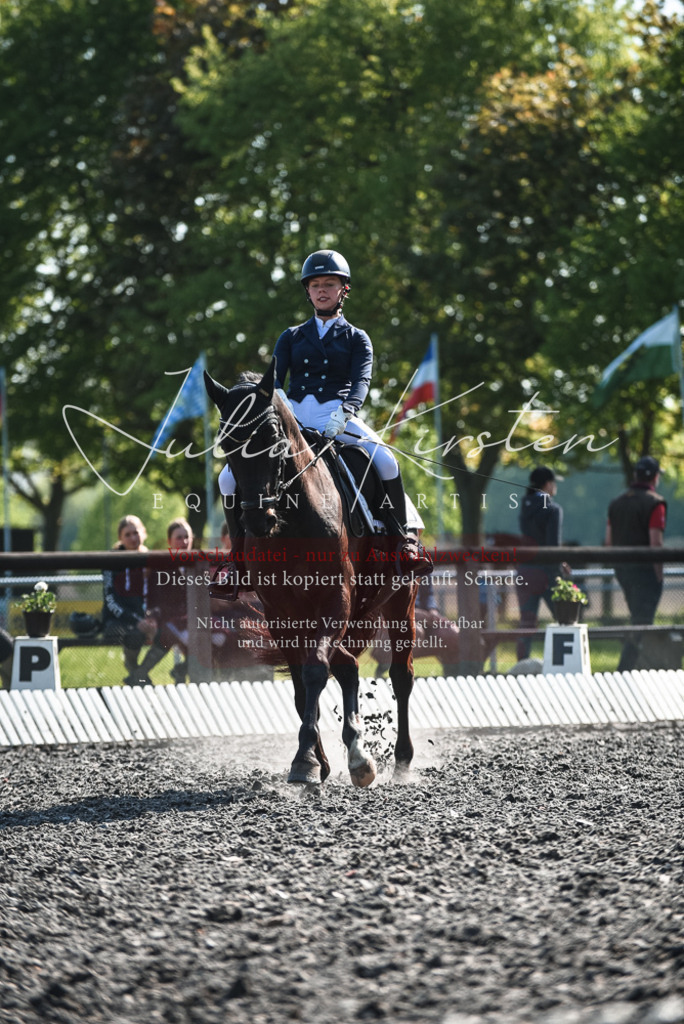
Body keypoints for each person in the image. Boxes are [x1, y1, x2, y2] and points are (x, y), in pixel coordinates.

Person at [217, 249, 432, 577]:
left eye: (329, 284)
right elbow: (274, 381)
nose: (321, 290)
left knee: (388, 461)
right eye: (315, 285)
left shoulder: (357, 338)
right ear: (308, 290)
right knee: (226, 478)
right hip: (293, 416)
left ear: (343, 289)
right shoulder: (291, 336)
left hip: (337, 414)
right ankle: (237, 558)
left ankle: (403, 541)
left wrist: (345, 412)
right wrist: (283, 408)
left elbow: (361, 382)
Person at [605, 455, 666, 671]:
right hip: (645, 572)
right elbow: (655, 543)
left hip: (623, 571)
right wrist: (659, 574)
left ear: (635, 475)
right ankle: (625, 670)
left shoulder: (616, 503)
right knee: (642, 623)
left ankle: (634, 667)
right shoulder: (655, 503)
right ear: (655, 477)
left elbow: (608, 541)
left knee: (637, 620)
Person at [515, 466, 568, 659]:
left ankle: (522, 665)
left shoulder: (525, 506)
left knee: (527, 622)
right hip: (546, 571)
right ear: (547, 484)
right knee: (565, 617)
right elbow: (553, 544)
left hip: (525, 570)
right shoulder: (553, 509)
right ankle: (563, 660)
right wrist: (559, 569)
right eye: (553, 483)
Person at [101, 515, 157, 686]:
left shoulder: (152, 561)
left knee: (167, 633)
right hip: (117, 621)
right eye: (127, 534)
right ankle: (136, 673)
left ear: (144, 533)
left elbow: (158, 596)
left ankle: (139, 674)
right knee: (134, 634)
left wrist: (152, 618)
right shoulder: (111, 561)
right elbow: (111, 601)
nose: (133, 538)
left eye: (136, 533)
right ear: (120, 537)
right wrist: (136, 620)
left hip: (146, 620)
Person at [145, 517, 195, 685]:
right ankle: (139, 674)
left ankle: (183, 670)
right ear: (169, 541)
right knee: (174, 632)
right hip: (167, 618)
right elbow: (156, 599)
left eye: (187, 537)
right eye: (179, 537)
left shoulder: (198, 563)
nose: (184, 542)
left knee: (208, 634)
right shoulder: (162, 566)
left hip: (192, 619)